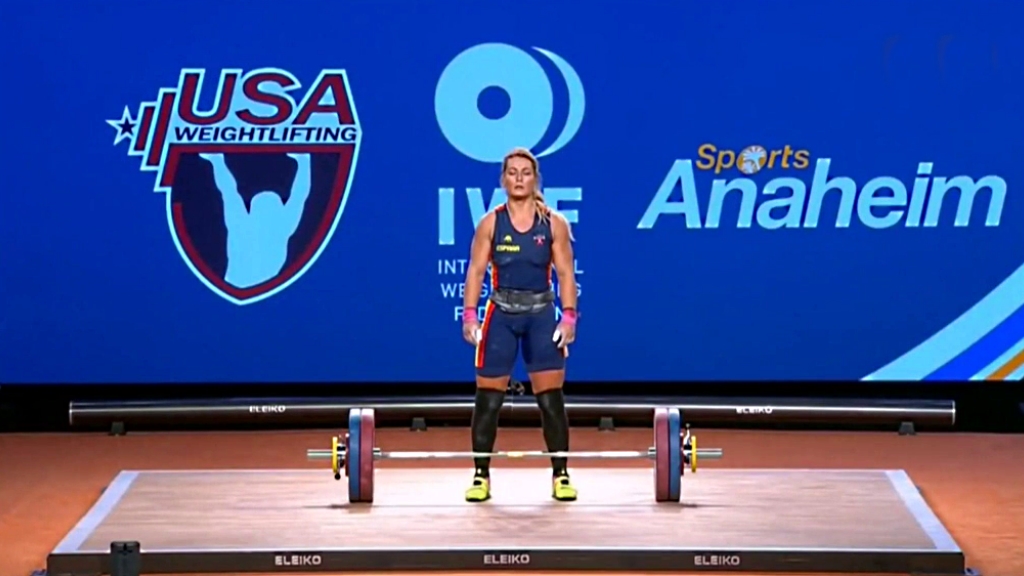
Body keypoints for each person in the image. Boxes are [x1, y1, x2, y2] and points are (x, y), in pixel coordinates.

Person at [460, 147, 579, 502]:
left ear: (535, 179)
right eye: (512, 173)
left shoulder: (554, 224)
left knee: (551, 401)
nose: (518, 179)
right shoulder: (490, 223)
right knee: (488, 402)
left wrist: (569, 316)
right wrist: (470, 315)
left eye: (525, 173)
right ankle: (481, 476)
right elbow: (476, 272)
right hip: (501, 316)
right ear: (503, 179)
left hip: (541, 317)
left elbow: (565, 273)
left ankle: (561, 475)